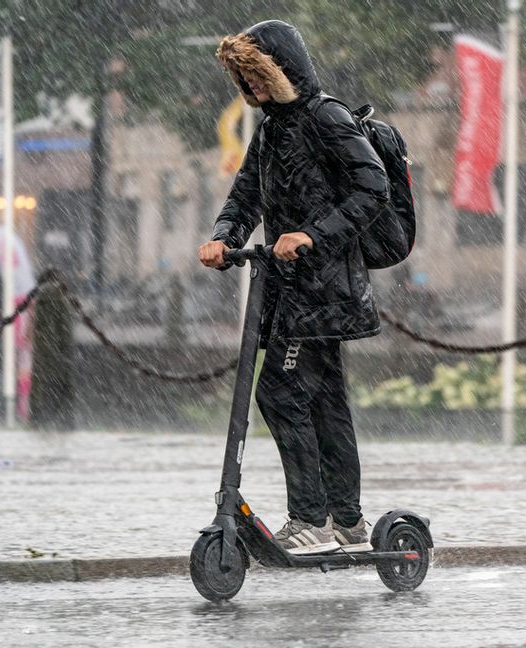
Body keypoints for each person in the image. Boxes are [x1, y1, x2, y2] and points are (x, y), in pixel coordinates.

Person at [197, 20, 389, 555]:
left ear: (283, 69)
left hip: (324, 287)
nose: (251, 87)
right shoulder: (273, 127)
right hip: (289, 289)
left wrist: (311, 235)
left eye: (256, 75)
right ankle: (347, 520)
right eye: (242, 78)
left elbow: (373, 187)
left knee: (281, 390)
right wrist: (223, 238)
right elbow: (245, 198)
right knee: (325, 398)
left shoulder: (326, 117)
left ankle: (311, 518)